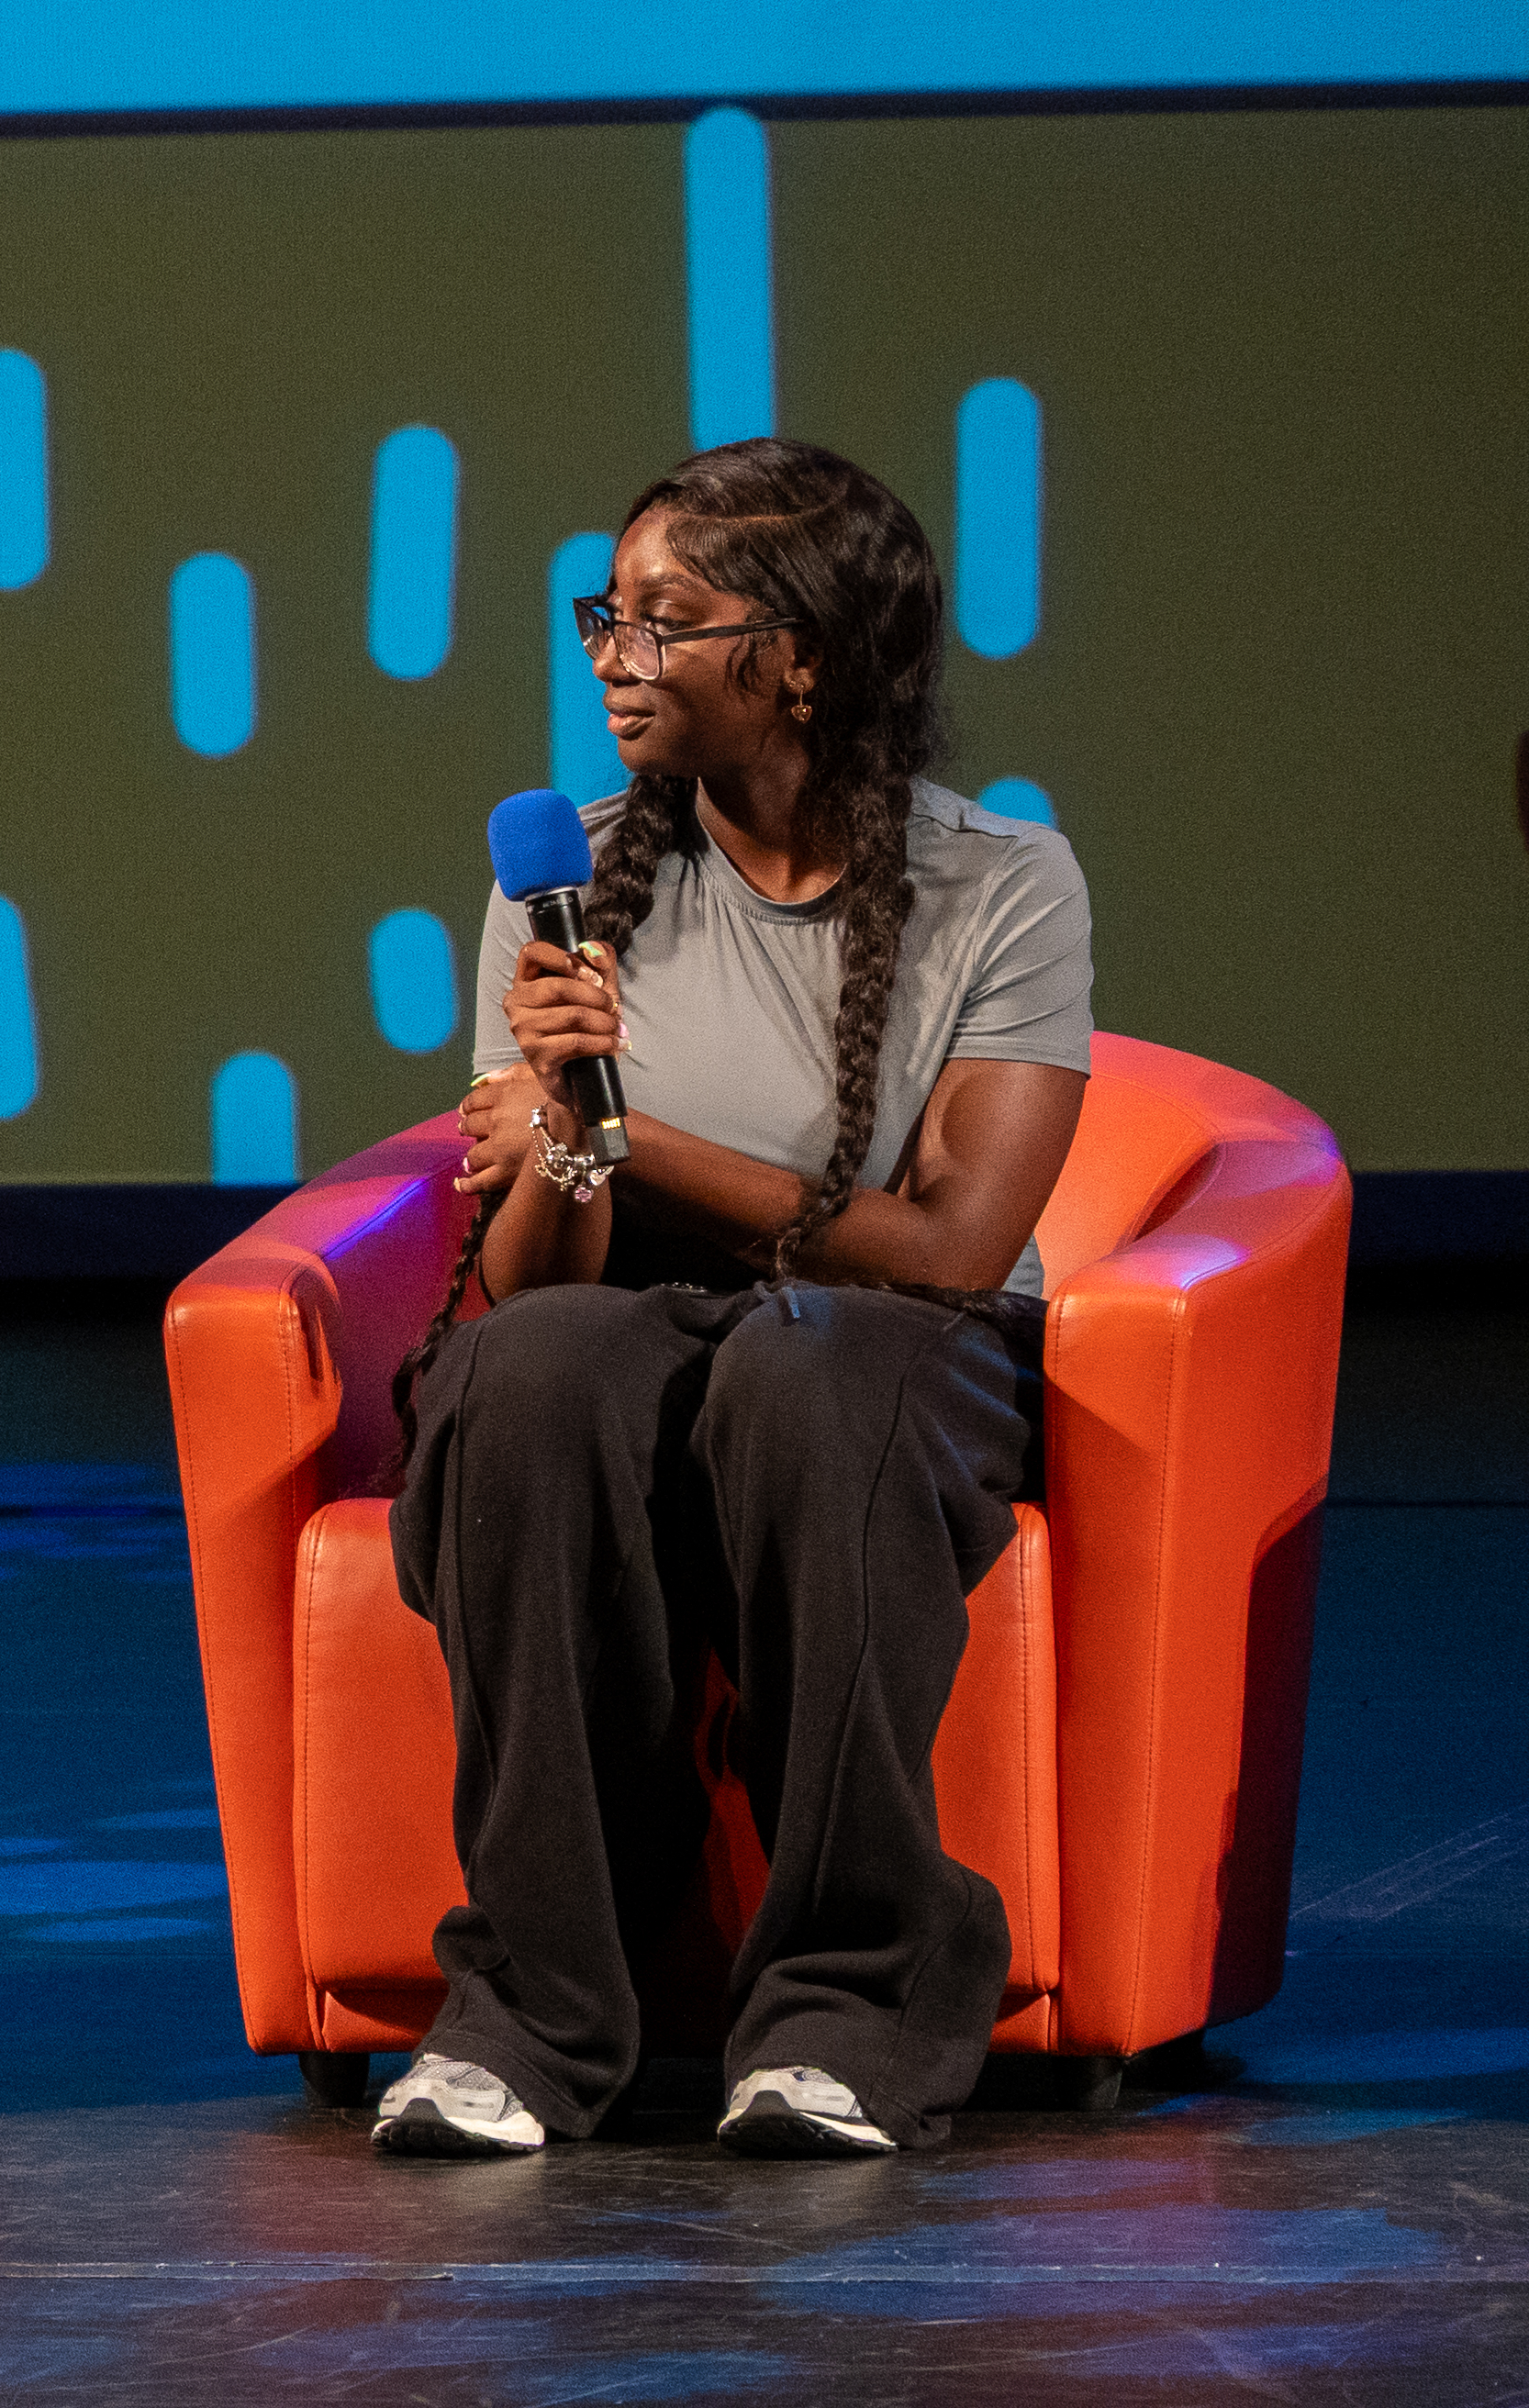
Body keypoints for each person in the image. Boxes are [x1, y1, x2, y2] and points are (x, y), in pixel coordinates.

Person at [372, 437, 1093, 2158]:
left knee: (808, 1371)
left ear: (804, 654)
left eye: (661, 621)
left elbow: (943, 1251)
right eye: (601, 617)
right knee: (529, 1378)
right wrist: (561, 1139)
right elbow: (535, 1284)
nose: (612, 657)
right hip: (649, 1326)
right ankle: (534, 2020)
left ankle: (849, 2013)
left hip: (899, 1346)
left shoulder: (1001, 883)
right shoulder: (565, 881)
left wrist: (628, 1129)